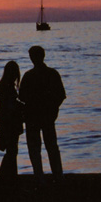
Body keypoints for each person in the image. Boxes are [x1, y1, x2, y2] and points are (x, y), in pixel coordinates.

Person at [19, 46, 66, 183]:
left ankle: (40, 177)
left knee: (35, 148)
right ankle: (57, 175)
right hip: (46, 116)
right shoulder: (52, 74)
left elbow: (22, 97)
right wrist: (53, 109)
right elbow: (61, 95)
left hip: (33, 117)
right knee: (51, 147)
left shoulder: (29, 76)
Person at [0, 61, 24, 182]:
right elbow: (11, 106)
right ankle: (7, 176)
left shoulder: (4, 86)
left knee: (11, 149)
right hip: (10, 122)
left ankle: (8, 175)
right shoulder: (9, 87)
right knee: (12, 150)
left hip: (5, 121)